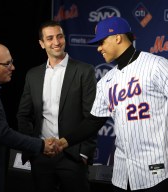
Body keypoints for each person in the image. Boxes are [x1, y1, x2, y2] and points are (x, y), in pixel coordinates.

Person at [58, 16, 168, 191]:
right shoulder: (106, 80)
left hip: (156, 170)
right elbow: (94, 121)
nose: (99, 48)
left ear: (117, 37)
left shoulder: (157, 66)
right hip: (122, 172)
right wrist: (63, 142)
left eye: (101, 42)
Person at [16, 20, 97, 192]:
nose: (56, 42)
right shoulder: (33, 75)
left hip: (73, 157)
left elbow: (92, 117)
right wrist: (33, 147)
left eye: (60, 36)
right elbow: (23, 115)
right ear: (41, 44)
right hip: (41, 156)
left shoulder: (85, 70)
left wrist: (83, 154)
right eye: (50, 38)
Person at [0, 42, 57, 192]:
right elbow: (3, 134)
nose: (12, 68)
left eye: (11, 62)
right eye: (7, 64)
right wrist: (41, 145)